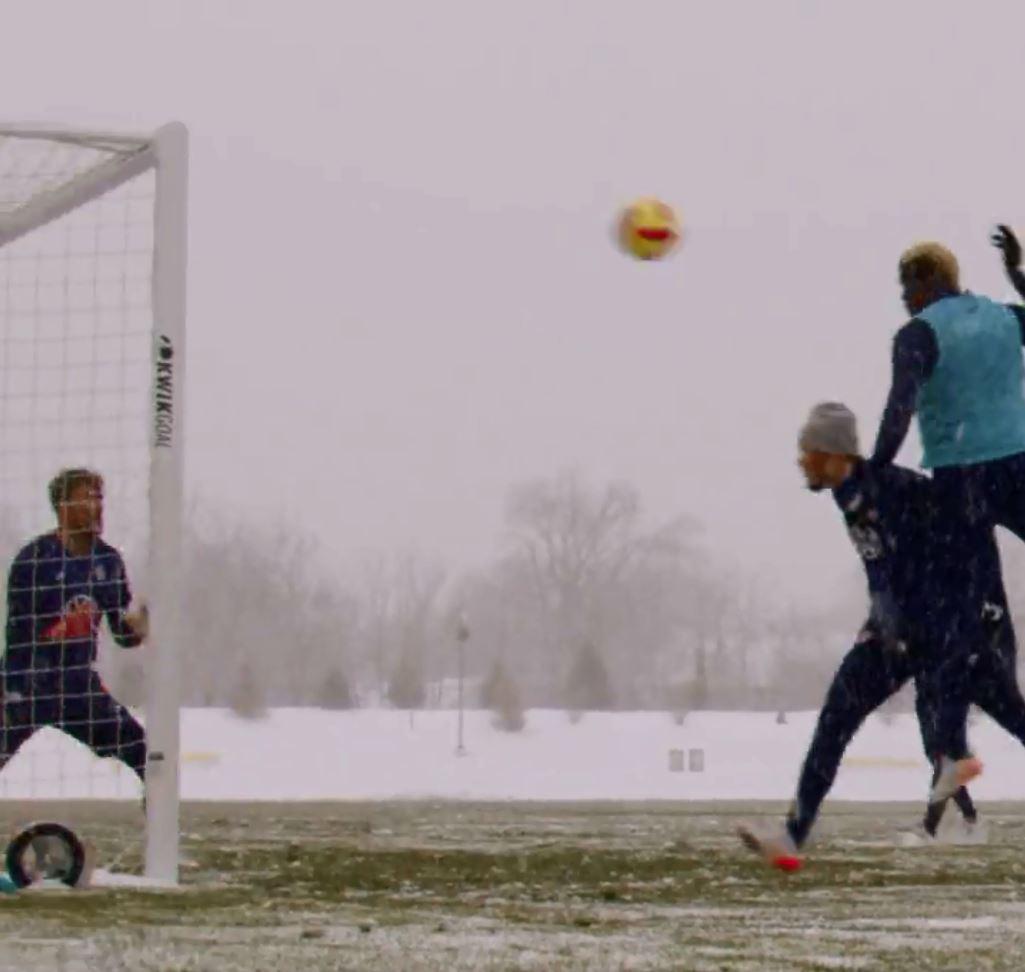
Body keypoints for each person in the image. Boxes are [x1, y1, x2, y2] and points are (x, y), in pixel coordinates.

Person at [740, 403, 1025, 870]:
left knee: (1013, 715)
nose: (801, 461)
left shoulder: (895, 488)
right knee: (835, 718)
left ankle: (950, 773)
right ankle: (793, 835)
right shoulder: (846, 496)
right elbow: (885, 570)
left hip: (946, 633)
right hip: (894, 637)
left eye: (808, 452)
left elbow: (968, 535)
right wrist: (886, 619)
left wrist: (974, 619)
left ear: (835, 454)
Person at [871, 230, 1025, 602]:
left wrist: (875, 470)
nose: (904, 298)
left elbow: (900, 407)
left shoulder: (918, 334)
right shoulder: (1005, 318)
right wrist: (1016, 273)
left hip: (960, 477)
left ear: (927, 281)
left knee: (975, 596)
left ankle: (986, 652)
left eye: (907, 286)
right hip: (1018, 462)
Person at [0, 468, 149, 783]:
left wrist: (137, 628)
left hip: (78, 685)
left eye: (99, 498)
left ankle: (158, 828)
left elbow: (121, 631)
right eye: (87, 498)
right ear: (63, 506)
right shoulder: (35, 558)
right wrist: (57, 631)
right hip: (27, 684)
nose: (97, 506)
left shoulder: (108, 561)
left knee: (145, 752)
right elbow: (16, 634)